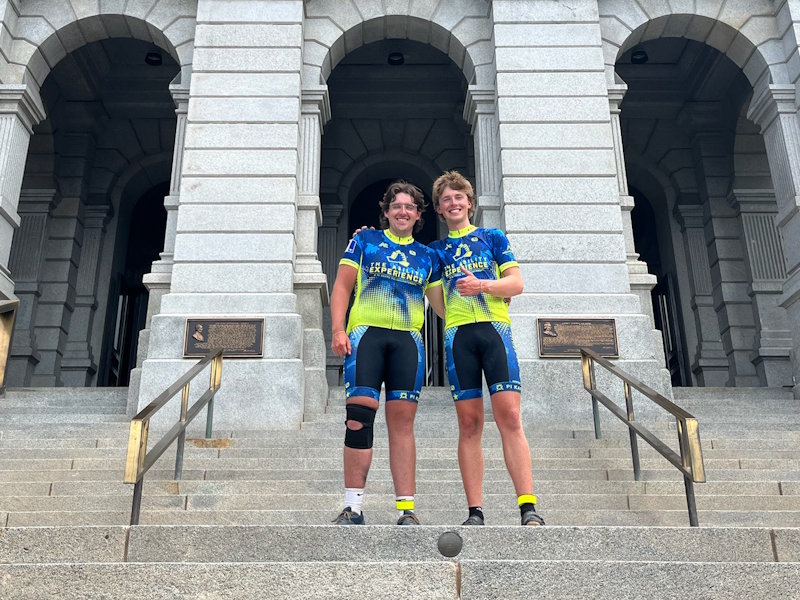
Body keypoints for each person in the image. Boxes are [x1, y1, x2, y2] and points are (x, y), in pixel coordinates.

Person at [428, 170, 544, 526]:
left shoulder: (493, 237)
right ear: (438, 208)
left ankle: (527, 506)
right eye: (446, 199)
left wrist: (483, 287)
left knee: (509, 417)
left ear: (470, 203)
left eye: (459, 197)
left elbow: (516, 284)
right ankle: (475, 510)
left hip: (496, 332)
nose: (453, 203)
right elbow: (437, 302)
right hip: (459, 336)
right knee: (469, 423)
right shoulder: (436, 251)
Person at [329, 181, 443, 526]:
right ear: (386, 212)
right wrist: (337, 329)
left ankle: (406, 510)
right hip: (366, 337)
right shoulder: (364, 241)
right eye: (397, 206)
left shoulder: (428, 256)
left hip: (408, 341)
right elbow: (342, 286)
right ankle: (354, 507)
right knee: (358, 421)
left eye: (410, 207)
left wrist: (491, 297)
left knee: (402, 425)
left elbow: (442, 306)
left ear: (419, 215)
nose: (403, 211)